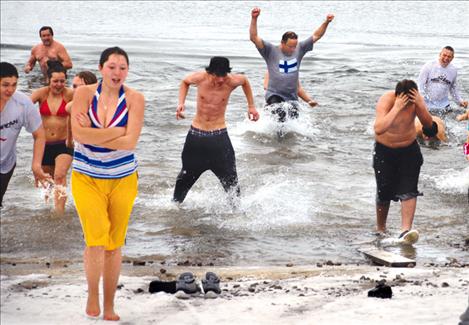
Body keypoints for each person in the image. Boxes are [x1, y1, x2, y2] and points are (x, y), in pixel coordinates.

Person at [71, 47, 144, 321]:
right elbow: (78, 135)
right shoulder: (83, 94)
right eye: (112, 66)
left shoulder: (136, 99)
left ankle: (110, 303)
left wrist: (94, 133)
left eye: (122, 67)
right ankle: (92, 294)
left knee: (114, 243)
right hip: (86, 176)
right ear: (101, 68)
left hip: (123, 178)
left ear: (128, 70)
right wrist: (115, 132)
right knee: (96, 238)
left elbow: (131, 142)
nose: (117, 72)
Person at [173, 56, 259, 203]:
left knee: (231, 180)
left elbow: (244, 81)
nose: (220, 80)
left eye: (223, 75)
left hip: (219, 138)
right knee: (185, 176)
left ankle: (236, 214)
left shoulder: (231, 81)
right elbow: (185, 82)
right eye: (217, 75)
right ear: (210, 72)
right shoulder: (200, 78)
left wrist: (251, 106)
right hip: (196, 137)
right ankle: (174, 209)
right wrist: (181, 103)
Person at [373, 79, 437, 243]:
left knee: (409, 189)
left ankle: (405, 231)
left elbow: (430, 128)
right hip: (384, 151)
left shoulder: (416, 102)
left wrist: (421, 105)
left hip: (409, 150)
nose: (409, 104)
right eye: (406, 101)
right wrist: (397, 107)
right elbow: (379, 128)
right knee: (384, 191)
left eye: (411, 101)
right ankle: (381, 229)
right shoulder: (387, 100)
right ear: (398, 96)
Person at [250, 7, 333, 121]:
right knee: (280, 116)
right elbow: (254, 37)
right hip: (274, 95)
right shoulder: (270, 50)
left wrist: (326, 22)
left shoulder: (300, 49)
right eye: (290, 46)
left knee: (293, 123)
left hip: (292, 97)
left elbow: (316, 36)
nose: (293, 49)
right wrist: (254, 18)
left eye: (295, 46)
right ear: (282, 43)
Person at [0, 62, 50, 207]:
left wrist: (36, 165)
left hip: (6, 164)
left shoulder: (23, 103)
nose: (10, 90)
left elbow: (40, 134)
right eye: (5, 85)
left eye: (14, 85)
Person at [31, 61, 74, 215]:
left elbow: (88, 105)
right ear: (48, 80)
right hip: (44, 144)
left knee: (60, 175)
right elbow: (23, 107)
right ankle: (49, 209)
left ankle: (59, 213)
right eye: (55, 81)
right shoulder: (41, 93)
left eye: (62, 81)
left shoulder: (70, 94)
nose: (59, 84)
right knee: (48, 183)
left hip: (64, 143)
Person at [417, 46, 468, 115]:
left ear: (452, 58)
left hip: (444, 105)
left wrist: (460, 101)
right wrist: (421, 100)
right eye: (444, 55)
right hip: (427, 104)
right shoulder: (429, 66)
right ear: (440, 54)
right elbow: (420, 84)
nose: (446, 58)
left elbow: (453, 89)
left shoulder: (453, 70)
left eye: (449, 56)